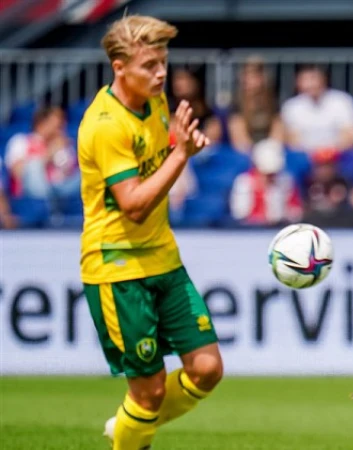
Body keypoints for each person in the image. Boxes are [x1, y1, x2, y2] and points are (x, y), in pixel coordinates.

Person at [76, 15, 222, 450]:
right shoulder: (105, 124)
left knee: (208, 369)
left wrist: (179, 149)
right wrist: (182, 154)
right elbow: (135, 206)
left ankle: (128, 424)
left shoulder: (156, 102)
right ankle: (131, 430)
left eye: (163, 62)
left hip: (164, 259)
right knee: (150, 391)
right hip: (118, 268)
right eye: (149, 65)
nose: (161, 73)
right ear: (119, 67)